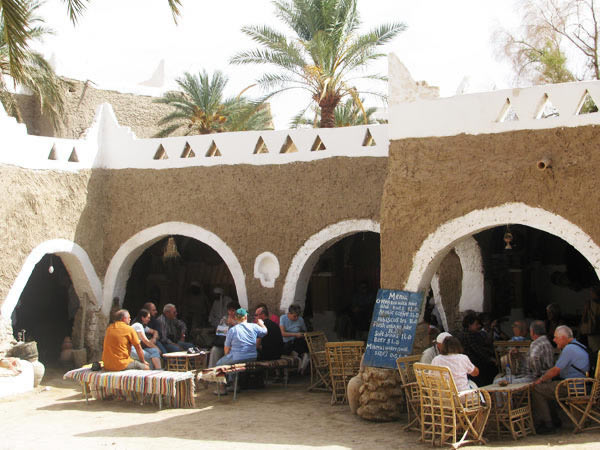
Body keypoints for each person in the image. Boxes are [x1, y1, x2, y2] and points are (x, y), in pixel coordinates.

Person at [532, 325, 590, 434]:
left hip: (573, 387)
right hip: (581, 385)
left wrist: (540, 379)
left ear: (563, 337)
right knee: (548, 388)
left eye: (555, 337)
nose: (554, 340)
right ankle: (555, 420)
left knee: (537, 389)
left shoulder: (569, 349)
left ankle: (548, 423)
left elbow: (555, 370)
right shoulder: (579, 345)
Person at [214, 308, 268, 394]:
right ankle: (234, 385)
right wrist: (262, 324)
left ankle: (222, 388)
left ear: (235, 318)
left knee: (219, 364)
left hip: (237, 357)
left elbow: (226, 348)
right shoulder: (253, 326)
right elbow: (265, 331)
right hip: (252, 357)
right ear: (246, 317)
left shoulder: (232, 330)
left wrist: (227, 356)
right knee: (231, 362)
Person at [457, 312, 497, 386]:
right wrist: (490, 359)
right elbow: (478, 350)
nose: (478, 326)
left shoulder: (466, 334)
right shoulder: (469, 335)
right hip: (475, 364)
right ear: (470, 325)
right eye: (476, 324)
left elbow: (486, 343)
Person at [208, 301, 239, 368]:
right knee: (214, 350)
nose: (231, 313)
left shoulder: (241, 319)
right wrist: (227, 325)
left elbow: (243, 330)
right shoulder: (225, 319)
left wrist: (234, 323)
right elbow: (220, 333)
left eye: (233, 311)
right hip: (224, 343)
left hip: (236, 345)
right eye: (229, 311)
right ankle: (211, 371)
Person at [280, 303, 310, 373]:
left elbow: (304, 331)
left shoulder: (300, 320)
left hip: (297, 342)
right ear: (289, 313)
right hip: (287, 343)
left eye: (297, 316)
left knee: (302, 342)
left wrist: (301, 334)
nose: (296, 318)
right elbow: (283, 333)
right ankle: (301, 356)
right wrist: (295, 334)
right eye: (294, 316)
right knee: (290, 345)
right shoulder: (283, 318)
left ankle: (303, 357)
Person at [580, 285, 600, 355]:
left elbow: (584, 318)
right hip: (592, 331)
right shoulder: (590, 303)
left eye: (591, 292)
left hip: (594, 331)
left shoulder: (591, 304)